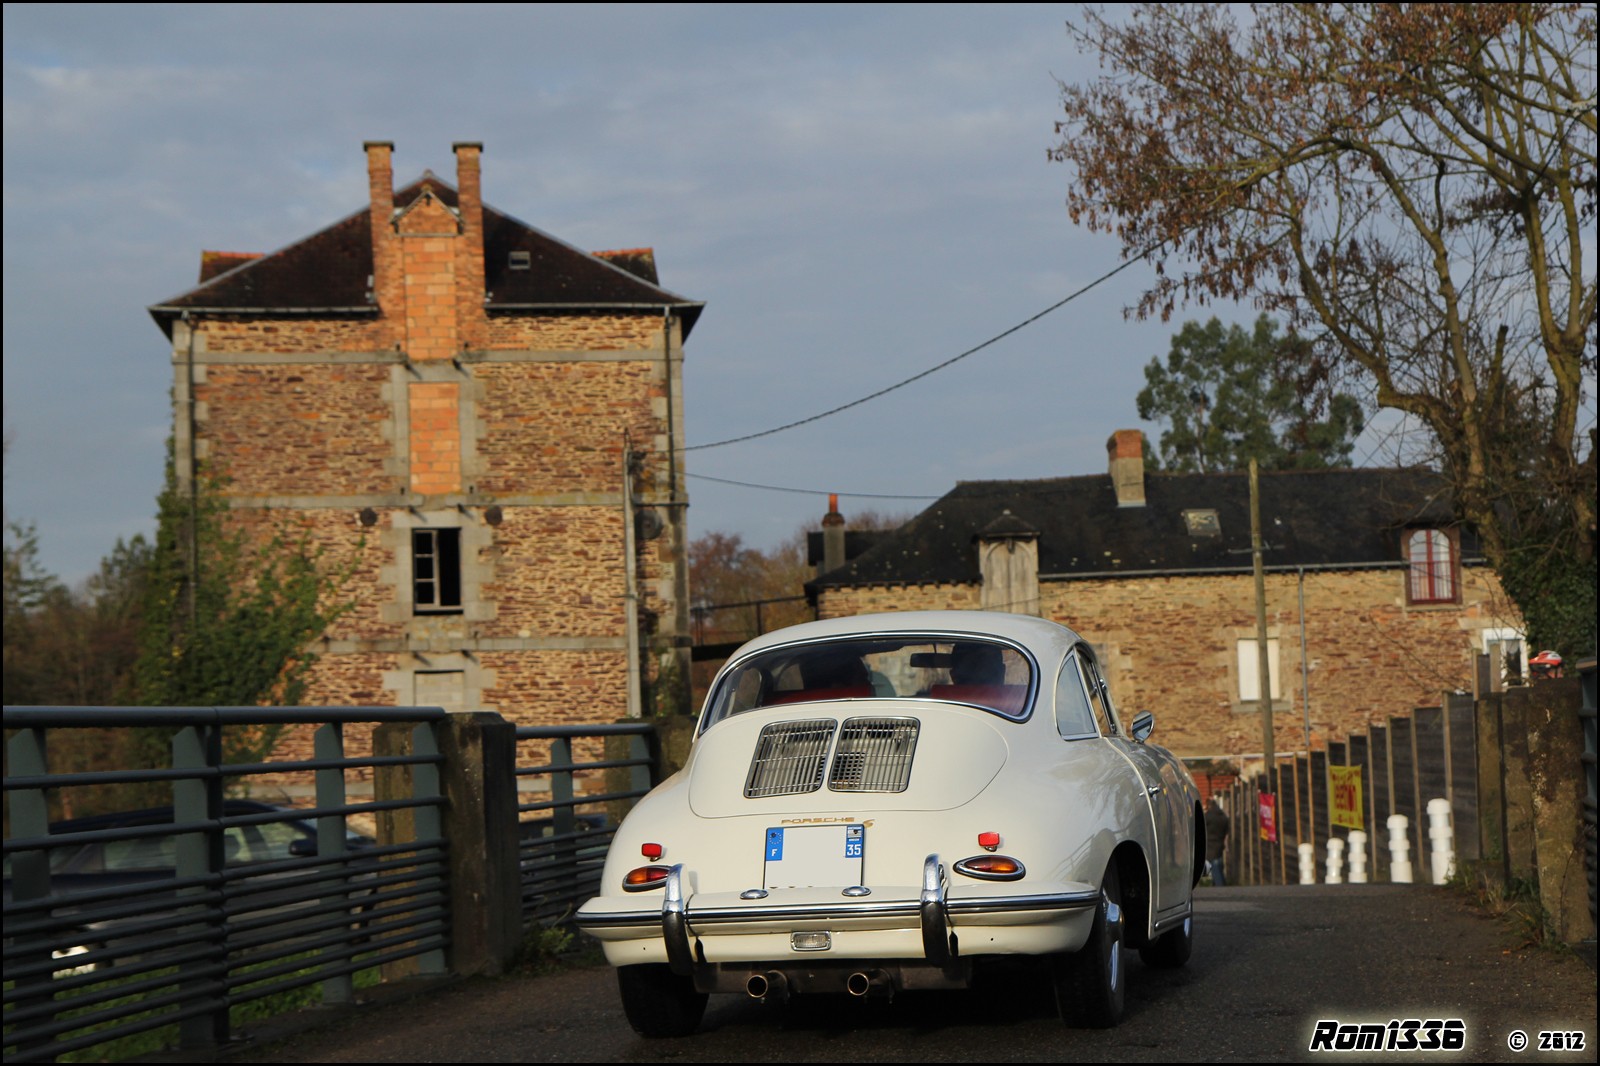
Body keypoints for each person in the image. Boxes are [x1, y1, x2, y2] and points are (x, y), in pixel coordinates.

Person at [1204, 796, 1230, 887]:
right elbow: (1227, 830)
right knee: (1218, 863)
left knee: (1214, 865)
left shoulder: (1208, 816)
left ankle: (1220, 886)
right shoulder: (1223, 816)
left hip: (1210, 843)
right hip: (1219, 843)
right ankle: (1219, 884)